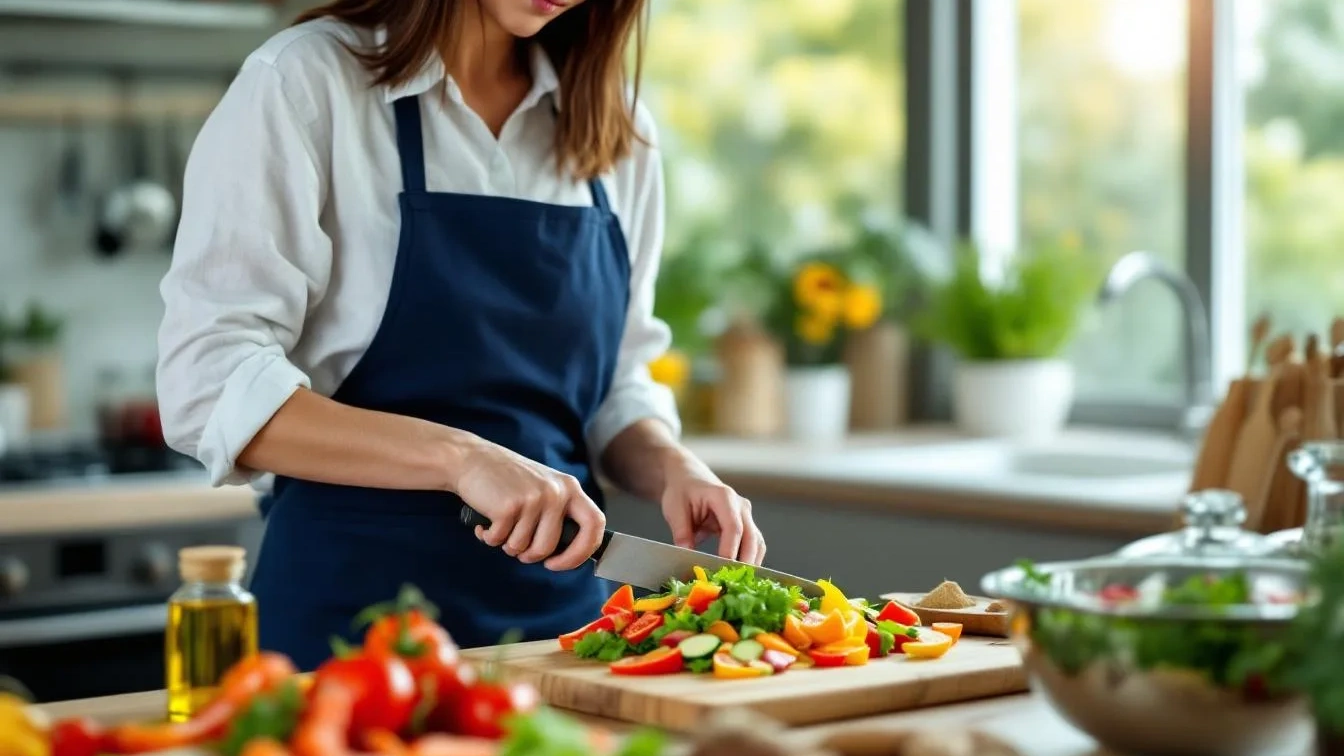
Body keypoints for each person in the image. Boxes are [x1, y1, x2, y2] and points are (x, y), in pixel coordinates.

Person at [155, 0, 765, 671]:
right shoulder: (307, 82)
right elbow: (209, 384)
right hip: (347, 640)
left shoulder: (615, 129)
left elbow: (616, 386)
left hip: (561, 643)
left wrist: (671, 466)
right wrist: (461, 459)